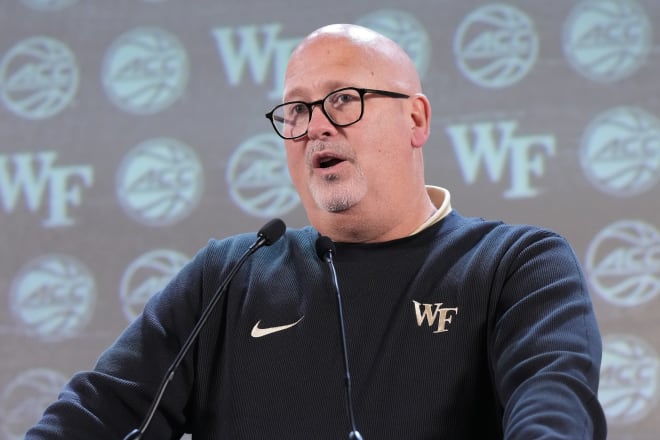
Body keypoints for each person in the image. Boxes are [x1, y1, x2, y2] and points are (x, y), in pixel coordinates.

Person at [25, 23, 607, 439]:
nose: (316, 126)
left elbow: (553, 411)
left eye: (344, 100)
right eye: (297, 111)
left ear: (416, 119)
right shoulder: (230, 274)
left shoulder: (514, 263)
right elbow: (96, 413)